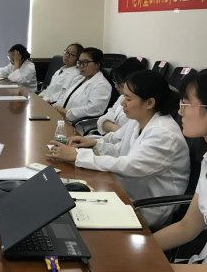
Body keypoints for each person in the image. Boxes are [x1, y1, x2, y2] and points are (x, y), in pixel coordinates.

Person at [87, 67, 207, 272]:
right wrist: (136, 251)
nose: (180, 111)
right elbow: (187, 227)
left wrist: (139, 266)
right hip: (203, 269)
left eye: (186, 104)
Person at [48, 70, 190, 230]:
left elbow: (129, 165)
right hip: (126, 190)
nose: (122, 103)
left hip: (146, 206)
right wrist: (94, 144)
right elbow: (119, 149)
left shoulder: (164, 133)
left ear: (149, 103)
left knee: (75, 216)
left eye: (128, 99)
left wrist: (78, 156)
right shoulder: (139, 121)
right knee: (66, 202)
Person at [53, 47, 112, 123]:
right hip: (62, 118)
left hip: (78, 125)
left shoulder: (102, 85)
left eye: (85, 62)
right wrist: (57, 107)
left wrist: (68, 113)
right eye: (80, 62)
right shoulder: (78, 79)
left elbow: (93, 109)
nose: (81, 66)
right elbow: (64, 95)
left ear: (97, 64)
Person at [96, 57, 145, 135]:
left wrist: (111, 127)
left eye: (118, 83)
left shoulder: (140, 104)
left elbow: (129, 134)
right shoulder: (122, 97)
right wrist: (116, 128)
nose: (116, 87)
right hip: (111, 138)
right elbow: (104, 120)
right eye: (114, 82)